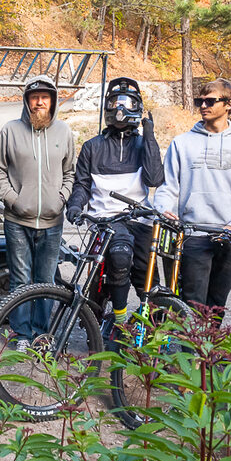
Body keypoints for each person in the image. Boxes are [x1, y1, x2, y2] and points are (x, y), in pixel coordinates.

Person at [153, 77, 231, 316]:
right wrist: (163, 208)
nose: (203, 105)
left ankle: (208, 353)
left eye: (210, 100)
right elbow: (168, 186)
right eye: (199, 101)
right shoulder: (181, 143)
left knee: (216, 308)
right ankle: (189, 353)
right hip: (193, 235)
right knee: (191, 307)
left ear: (229, 104)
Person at [66, 77, 164, 332]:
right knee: (118, 257)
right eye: (114, 102)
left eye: (127, 102)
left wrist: (150, 136)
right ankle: (117, 323)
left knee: (148, 280)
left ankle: (150, 334)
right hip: (105, 221)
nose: (120, 108)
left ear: (137, 106)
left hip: (139, 219)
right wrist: (75, 206)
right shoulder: (91, 147)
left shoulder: (144, 144)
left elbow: (155, 178)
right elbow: (82, 185)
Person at [0, 75, 76, 342]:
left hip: (52, 220)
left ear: (53, 101)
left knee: (47, 281)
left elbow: (70, 172)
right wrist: (13, 200)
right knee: (20, 280)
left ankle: (42, 335)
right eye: (34, 97)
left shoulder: (64, 132)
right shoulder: (10, 130)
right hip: (17, 219)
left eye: (45, 97)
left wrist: (60, 198)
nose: (39, 102)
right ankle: (21, 335)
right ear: (27, 101)